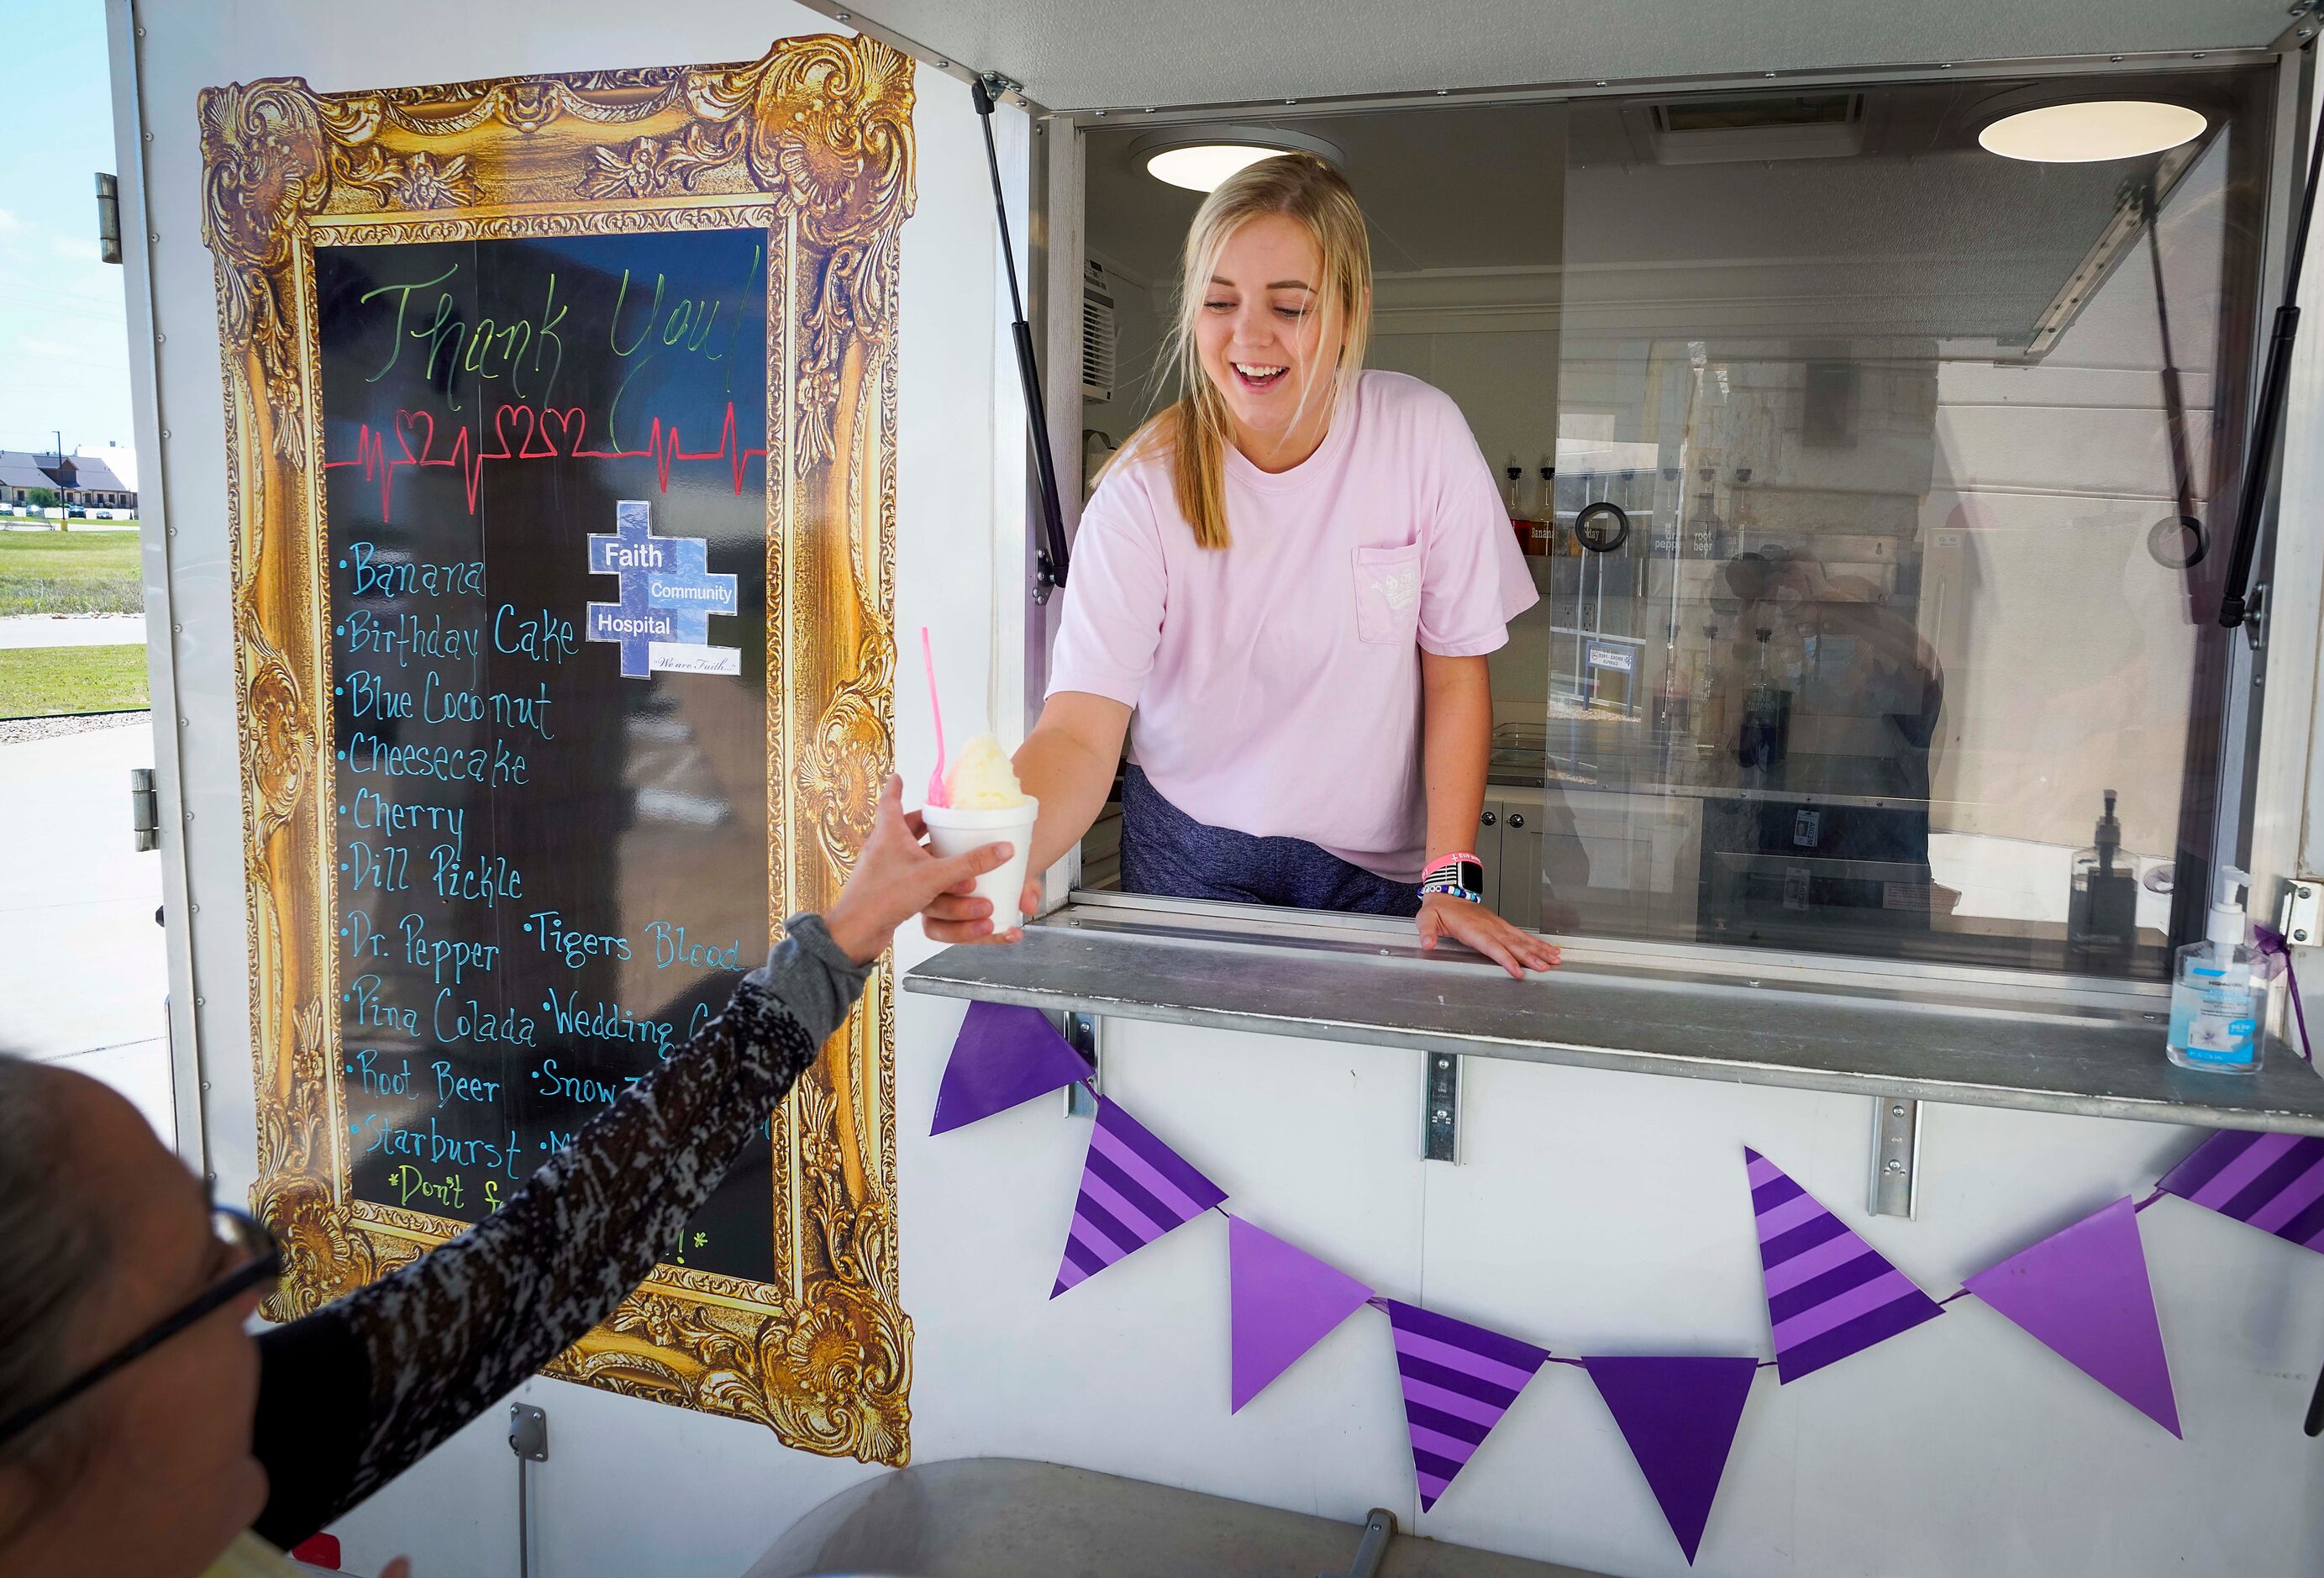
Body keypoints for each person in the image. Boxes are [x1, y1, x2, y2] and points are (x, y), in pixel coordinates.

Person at [0, 776, 1010, 1578]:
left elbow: (557, 1249)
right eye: (204, 1287)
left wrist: (840, 942)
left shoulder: (216, 1443)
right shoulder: (213, 1455)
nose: (259, 1300)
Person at [924, 154, 1562, 979]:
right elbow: (1080, 731)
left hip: (1375, 873)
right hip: (1193, 855)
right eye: (1218, 303)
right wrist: (996, 856)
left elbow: (1452, 675)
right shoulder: (1141, 488)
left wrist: (1451, 875)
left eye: (1288, 306)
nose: (1248, 338)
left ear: (1348, 310)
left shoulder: (1419, 437)